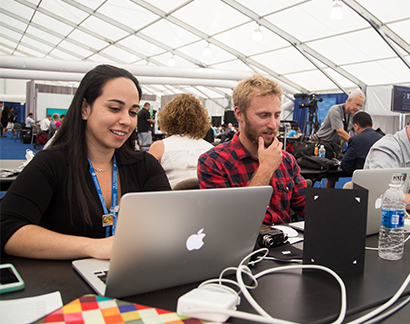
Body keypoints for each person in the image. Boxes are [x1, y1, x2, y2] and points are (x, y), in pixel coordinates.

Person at [1, 65, 171, 260]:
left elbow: (169, 225)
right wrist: (93, 247)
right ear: (85, 109)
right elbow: (6, 226)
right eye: (114, 109)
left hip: (133, 275)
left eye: (133, 112)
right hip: (65, 283)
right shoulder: (51, 164)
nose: (126, 121)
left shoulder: (145, 165)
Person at [198, 74, 307, 225]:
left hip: (284, 244)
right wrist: (265, 170)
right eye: (264, 115)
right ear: (239, 114)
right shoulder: (214, 162)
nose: (273, 125)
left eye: (276, 115)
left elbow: (309, 209)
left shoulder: (287, 160)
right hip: (243, 246)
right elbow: (229, 224)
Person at [149, 94, 213, 188]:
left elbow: (147, 181)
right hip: (204, 200)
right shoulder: (211, 149)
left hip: (169, 200)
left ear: (168, 118)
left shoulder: (159, 147)